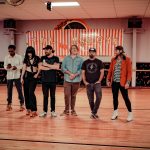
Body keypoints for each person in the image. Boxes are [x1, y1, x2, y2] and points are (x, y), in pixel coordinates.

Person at [107, 45, 133, 122]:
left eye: (116, 50)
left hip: (123, 83)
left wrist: (128, 82)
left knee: (126, 98)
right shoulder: (113, 60)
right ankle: (115, 113)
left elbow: (129, 72)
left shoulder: (127, 59)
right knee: (115, 98)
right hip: (114, 82)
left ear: (120, 51)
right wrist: (108, 80)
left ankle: (130, 114)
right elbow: (110, 70)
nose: (115, 52)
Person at [61, 45, 83, 116]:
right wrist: (70, 74)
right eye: (73, 48)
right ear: (70, 50)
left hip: (76, 80)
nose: (74, 49)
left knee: (73, 96)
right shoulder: (66, 58)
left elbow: (81, 69)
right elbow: (63, 68)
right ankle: (66, 110)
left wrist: (75, 75)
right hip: (67, 79)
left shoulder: (80, 59)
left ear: (78, 50)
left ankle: (73, 110)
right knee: (67, 95)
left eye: (76, 48)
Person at [82, 48, 104, 119]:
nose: (92, 53)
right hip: (88, 83)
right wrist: (85, 82)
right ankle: (94, 113)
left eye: (93, 52)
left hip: (96, 83)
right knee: (90, 100)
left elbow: (102, 72)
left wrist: (99, 80)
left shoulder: (99, 62)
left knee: (99, 97)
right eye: (90, 52)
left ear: (95, 53)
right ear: (88, 53)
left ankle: (93, 113)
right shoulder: (85, 62)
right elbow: (83, 73)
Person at [39, 45, 60, 118]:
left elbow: (57, 67)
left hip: (53, 80)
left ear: (51, 50)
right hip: (44, 80)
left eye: (47, 50)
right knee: (45, 96)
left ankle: (53, 111)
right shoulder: (42, 58)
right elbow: (40, 67)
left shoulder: (56, 58)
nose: (45, 51)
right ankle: (44, 111)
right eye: (45, 50)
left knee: (53, 96)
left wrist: (46, 65)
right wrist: (51, 67)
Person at [21, 46, 40, 117]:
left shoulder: (37, 58)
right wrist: (21, 78)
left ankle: (34, 110)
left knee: (31, 92)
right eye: (28, 53)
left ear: (33, 52)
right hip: (26, 76)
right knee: (26, 93)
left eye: (31, 53)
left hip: (34, 76)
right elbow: (24, 68)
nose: (30, 54)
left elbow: (39, 67)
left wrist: (37, 74)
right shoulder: (26, 59)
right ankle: (28, 108)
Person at [4, 45, 24, 111]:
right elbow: (4, 66)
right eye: (9, 51)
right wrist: (7, 67)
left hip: (17, 76)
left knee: (19, 90)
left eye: (11, 51)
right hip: (9, 76)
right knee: (9, 91)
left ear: (15, 50)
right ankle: (9, 104)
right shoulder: (6, 57)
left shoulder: (19, 57)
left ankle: (22, 104)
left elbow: (22, 65)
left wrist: (17, 67)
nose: (10, 52)